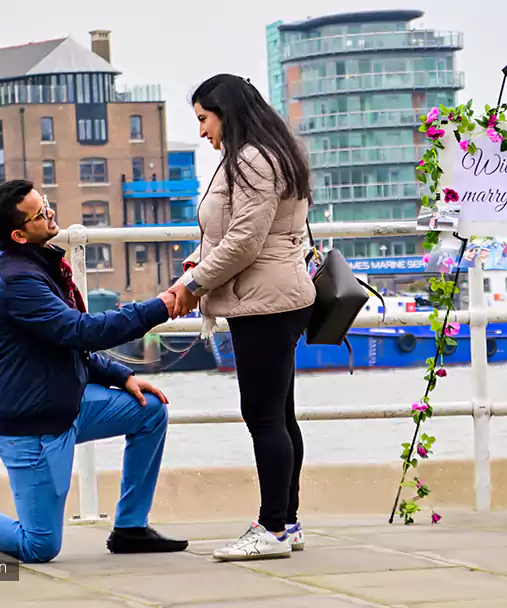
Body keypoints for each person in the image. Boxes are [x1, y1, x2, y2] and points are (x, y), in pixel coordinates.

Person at [0, 179, 188, 565]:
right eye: (40, 213)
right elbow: (79, 330)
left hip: (67, 406)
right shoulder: (18, 281)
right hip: (32, 428)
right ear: (19, 234)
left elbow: (67, 346)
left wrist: (119, 376)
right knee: (39, 545)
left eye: (46, 203)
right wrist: (161, 306)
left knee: (150, 411)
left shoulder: (42, 263)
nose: (50, 213)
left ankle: (130, 529)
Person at [167, 74, 316, 562]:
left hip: (264, 303)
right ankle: (286, 522)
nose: (203, 132)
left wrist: (192, 285)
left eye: (204, 119)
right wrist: (199, 261)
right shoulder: (275, 150)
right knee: (280, 415)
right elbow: (241, 234)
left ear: (226, 112)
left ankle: (272, 527)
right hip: (273, 295)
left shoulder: (252, 159)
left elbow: (246, 242)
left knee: (264, 417)